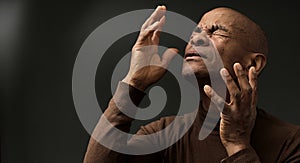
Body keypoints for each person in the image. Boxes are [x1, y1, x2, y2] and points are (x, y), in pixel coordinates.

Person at [83, 5, 300, 162]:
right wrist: (134, 82)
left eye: (215, 31)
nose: (196, 38)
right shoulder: (166, 132)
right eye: (195, 32)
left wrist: (237, 144)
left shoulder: (291, 142)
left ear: (254, 63)